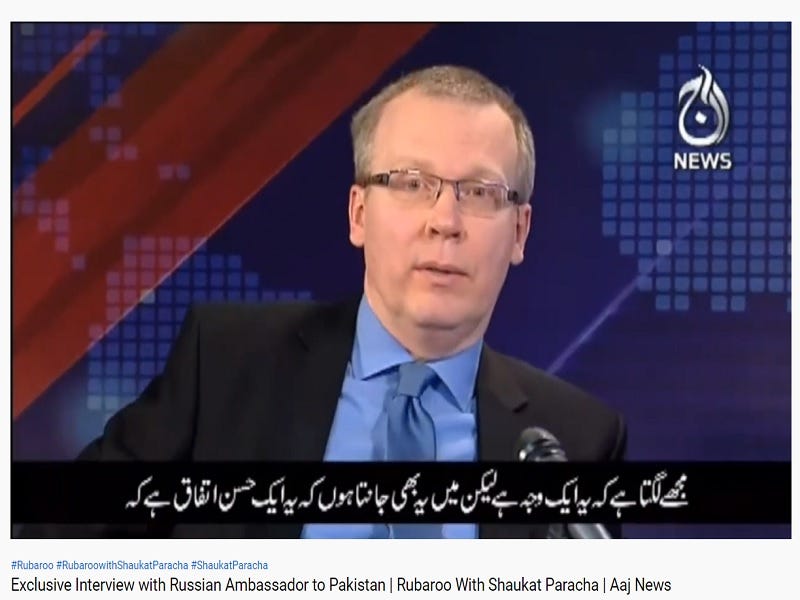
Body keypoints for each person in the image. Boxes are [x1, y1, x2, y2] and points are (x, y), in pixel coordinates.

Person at [28, 65, 625, 538]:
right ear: (359, 214)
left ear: (519, 232)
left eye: (480, 192)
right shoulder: (228, 364)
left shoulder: (576, 439)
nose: (445, 221)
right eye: (411, 184)